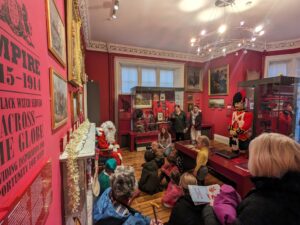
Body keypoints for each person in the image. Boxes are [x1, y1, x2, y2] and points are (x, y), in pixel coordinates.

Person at [205, 133, 300, 225]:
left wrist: (209, 209)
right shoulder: (286, 191)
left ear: (261, 162)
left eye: (251, 157)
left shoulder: (258, 208)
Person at [93, 166, 163, 225]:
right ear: (129, 198)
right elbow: (134, 218)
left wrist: (148, 221)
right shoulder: (130, 221)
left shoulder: (108, 190)